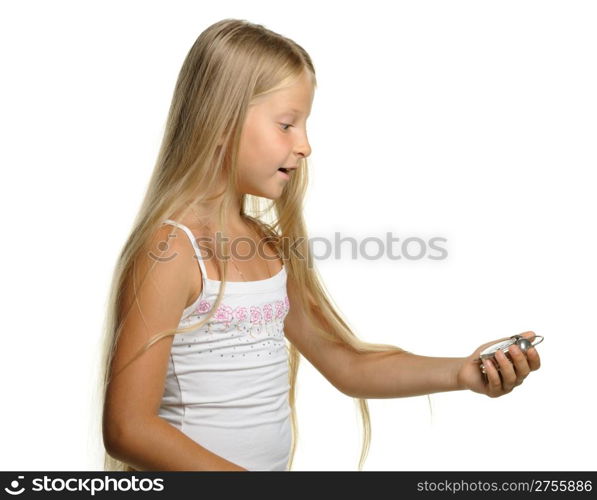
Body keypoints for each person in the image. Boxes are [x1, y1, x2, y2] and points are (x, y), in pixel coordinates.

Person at [98, 18, 541, 472]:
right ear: (222, 121)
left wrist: (461, 373)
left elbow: (347, 364)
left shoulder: (266, 247)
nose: (305, 145)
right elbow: (127, 428)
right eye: (287, 124)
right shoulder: (171, 251)